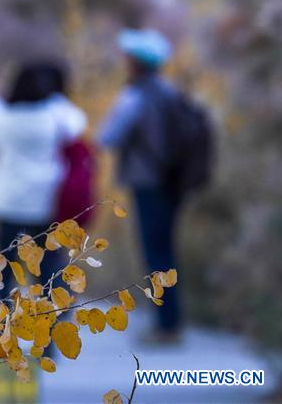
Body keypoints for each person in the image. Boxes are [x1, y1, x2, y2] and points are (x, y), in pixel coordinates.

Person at [98, 28, 182, 344]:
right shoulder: (169, 92)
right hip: (173, 180)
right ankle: (170, 320)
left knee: (155, 253)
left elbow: (108, 136)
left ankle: (165, 327)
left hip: (147, 181)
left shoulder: (135, 96)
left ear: (136, 62)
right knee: (166, 250)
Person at [0, 61, 87, 290]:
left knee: (3, 263)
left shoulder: (2, 116)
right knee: (47, 263)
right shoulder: (54, 114)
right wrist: (57, 99)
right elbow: (77, 124)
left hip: (7, 198)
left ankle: (2, 308)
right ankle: (52, 308)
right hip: (44, 199)